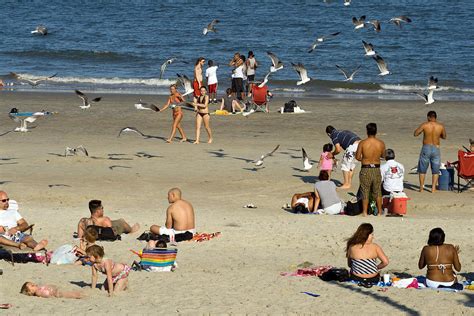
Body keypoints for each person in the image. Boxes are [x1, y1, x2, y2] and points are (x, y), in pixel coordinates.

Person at [356, 123, 386, 216]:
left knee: (365, 191)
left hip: (366, 168)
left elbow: (357, 157)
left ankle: (365, 212)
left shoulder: (363, 143)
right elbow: (384, 156)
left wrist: (365, 159)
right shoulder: (381, 143)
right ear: (376, 131)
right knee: (377, 191)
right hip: (376, 168)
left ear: (367, 131)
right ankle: (379, 212)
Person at [414, 111, 447, 192]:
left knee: (422, 169)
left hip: (426, 147)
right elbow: (444, 136)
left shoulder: (425, 125)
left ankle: (421, 188)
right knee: (435, 170)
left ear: (429, 117)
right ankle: (433, 188)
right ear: (435, 117)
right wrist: (437, 135)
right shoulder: (440, 126)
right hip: (436, 148)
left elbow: (415, 133)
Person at [20, 282, 85, 299]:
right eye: (32, 286)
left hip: (56, 290)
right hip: (56, 293)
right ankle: (79, 295)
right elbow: (45, 294)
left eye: (32, 283)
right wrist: (50, 292)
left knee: (69, 292)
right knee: (69, 294)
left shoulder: (38, 288)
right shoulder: (38, 292)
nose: (34, 284)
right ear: (30, 292)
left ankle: (80, 294)